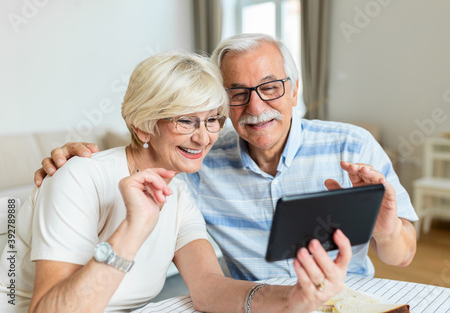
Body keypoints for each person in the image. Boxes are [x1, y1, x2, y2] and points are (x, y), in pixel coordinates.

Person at [34, 33, 417, 282]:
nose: (256, 106)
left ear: (295, 90)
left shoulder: (352, 146)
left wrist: (386, 230)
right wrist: (76, 158)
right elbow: (148, 149)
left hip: (346, 300)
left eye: (270, 87)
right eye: (237, 93)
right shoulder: (201, 161)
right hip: (257, 305)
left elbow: (402, 257)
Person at [0, 52, 352, 313]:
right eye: (186, 121)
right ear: (142, 126)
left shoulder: (179, 192)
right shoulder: (78, 178)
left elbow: (209, 288)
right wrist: (133, 229)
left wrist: (293, 298)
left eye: (213, 119)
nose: (204, 138)